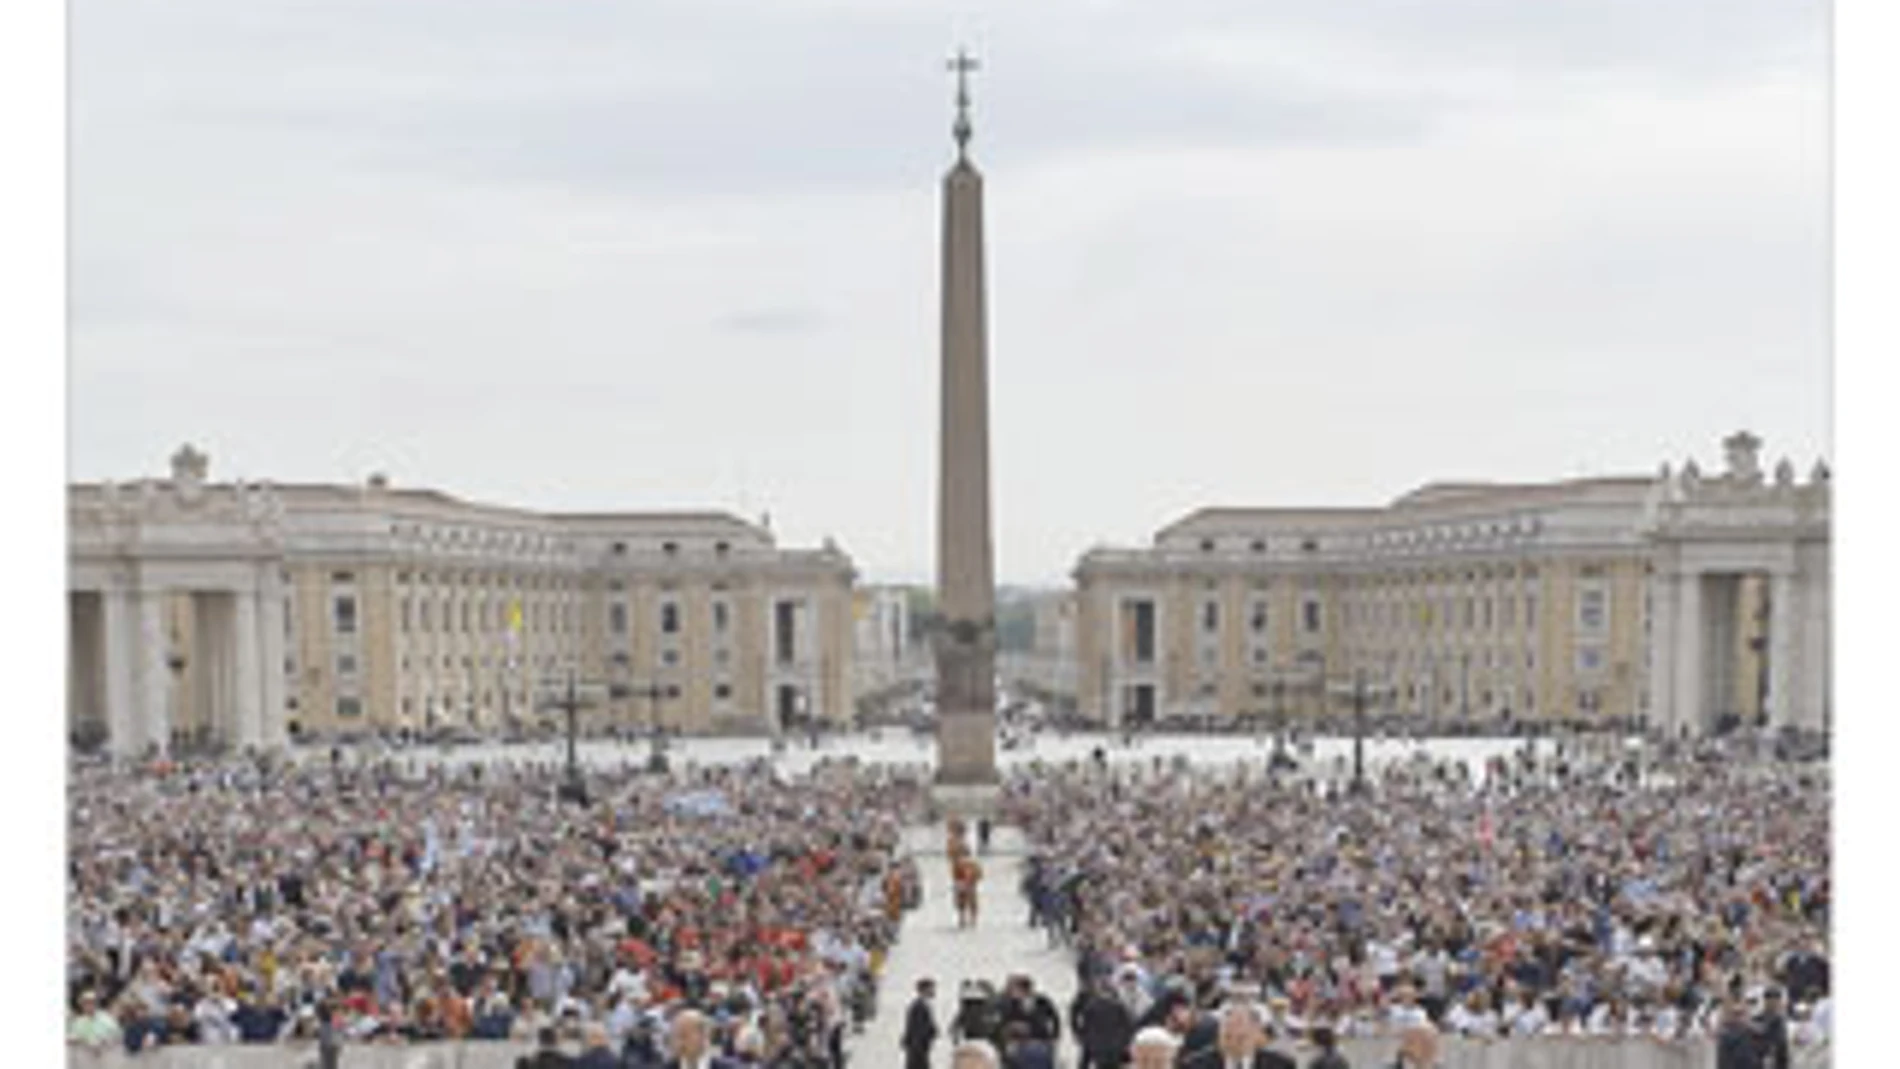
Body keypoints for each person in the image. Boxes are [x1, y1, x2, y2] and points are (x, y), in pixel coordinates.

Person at [1180, 1001, 1296, 1069]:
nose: (1233, 1041)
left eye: (1241, 1038)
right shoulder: (1194, 1065)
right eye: (1227, 1036)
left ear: (1256, 1034)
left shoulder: (1280, 1065)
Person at [1072, 977, 1135, 1069]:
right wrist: (1125, 1045)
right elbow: (1128, 1028)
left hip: (1098, 1051)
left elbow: (1086, 1030)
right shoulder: (1119, 1007)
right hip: (1115, 1051)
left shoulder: (1091, 1007)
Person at [903, 978, 940, 1069]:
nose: (933, 991)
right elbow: (918, 1029)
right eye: (931, 988)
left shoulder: (921, 1005)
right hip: (917, 1049)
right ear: (924, 990)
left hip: (918, 1048)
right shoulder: (919, 1006)